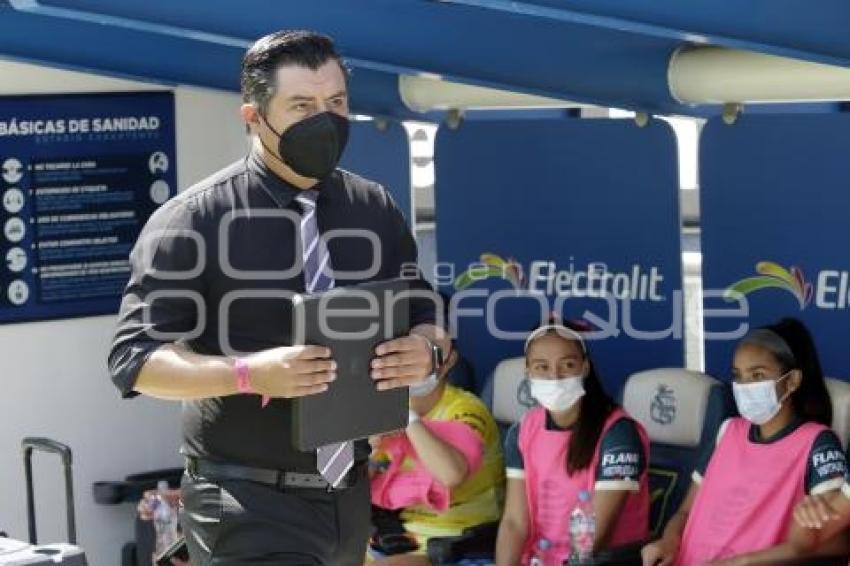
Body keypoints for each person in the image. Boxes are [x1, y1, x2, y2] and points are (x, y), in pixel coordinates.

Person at [108, 30, 448, 565]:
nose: (326, 119)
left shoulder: (374, 208)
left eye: (336, 103)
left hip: (349, 495)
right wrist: (246, 373)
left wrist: (425, 349)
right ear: (253, 117)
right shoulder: (194, 219)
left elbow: (422, 307)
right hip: (245, 499)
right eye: (302, 105)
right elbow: (135, 360)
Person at [641, 318, 847, 566]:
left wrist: (745, 561)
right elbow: (685, 512)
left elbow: (835, 541)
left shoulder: (817, 444)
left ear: (791, 381)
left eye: (758, 375)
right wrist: (668, 541)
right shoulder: (728, 431)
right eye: (738, 376)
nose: (745, 387)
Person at [495, 321, 650, 566]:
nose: (554, 376)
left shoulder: (618, 433)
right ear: (527, 372)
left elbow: (591, 538)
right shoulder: (524, 430)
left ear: (585, 367)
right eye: (541, 367)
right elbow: (515, 522)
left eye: (567, 365)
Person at [368, 341, 505, 564]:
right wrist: (370, 447)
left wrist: (408, 419)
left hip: (457, 545)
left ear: (448, 361)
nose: (408, 363)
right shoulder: (385, 410)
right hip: (395, 538)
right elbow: (357, 485)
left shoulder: (466, 410)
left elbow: (451, 474)